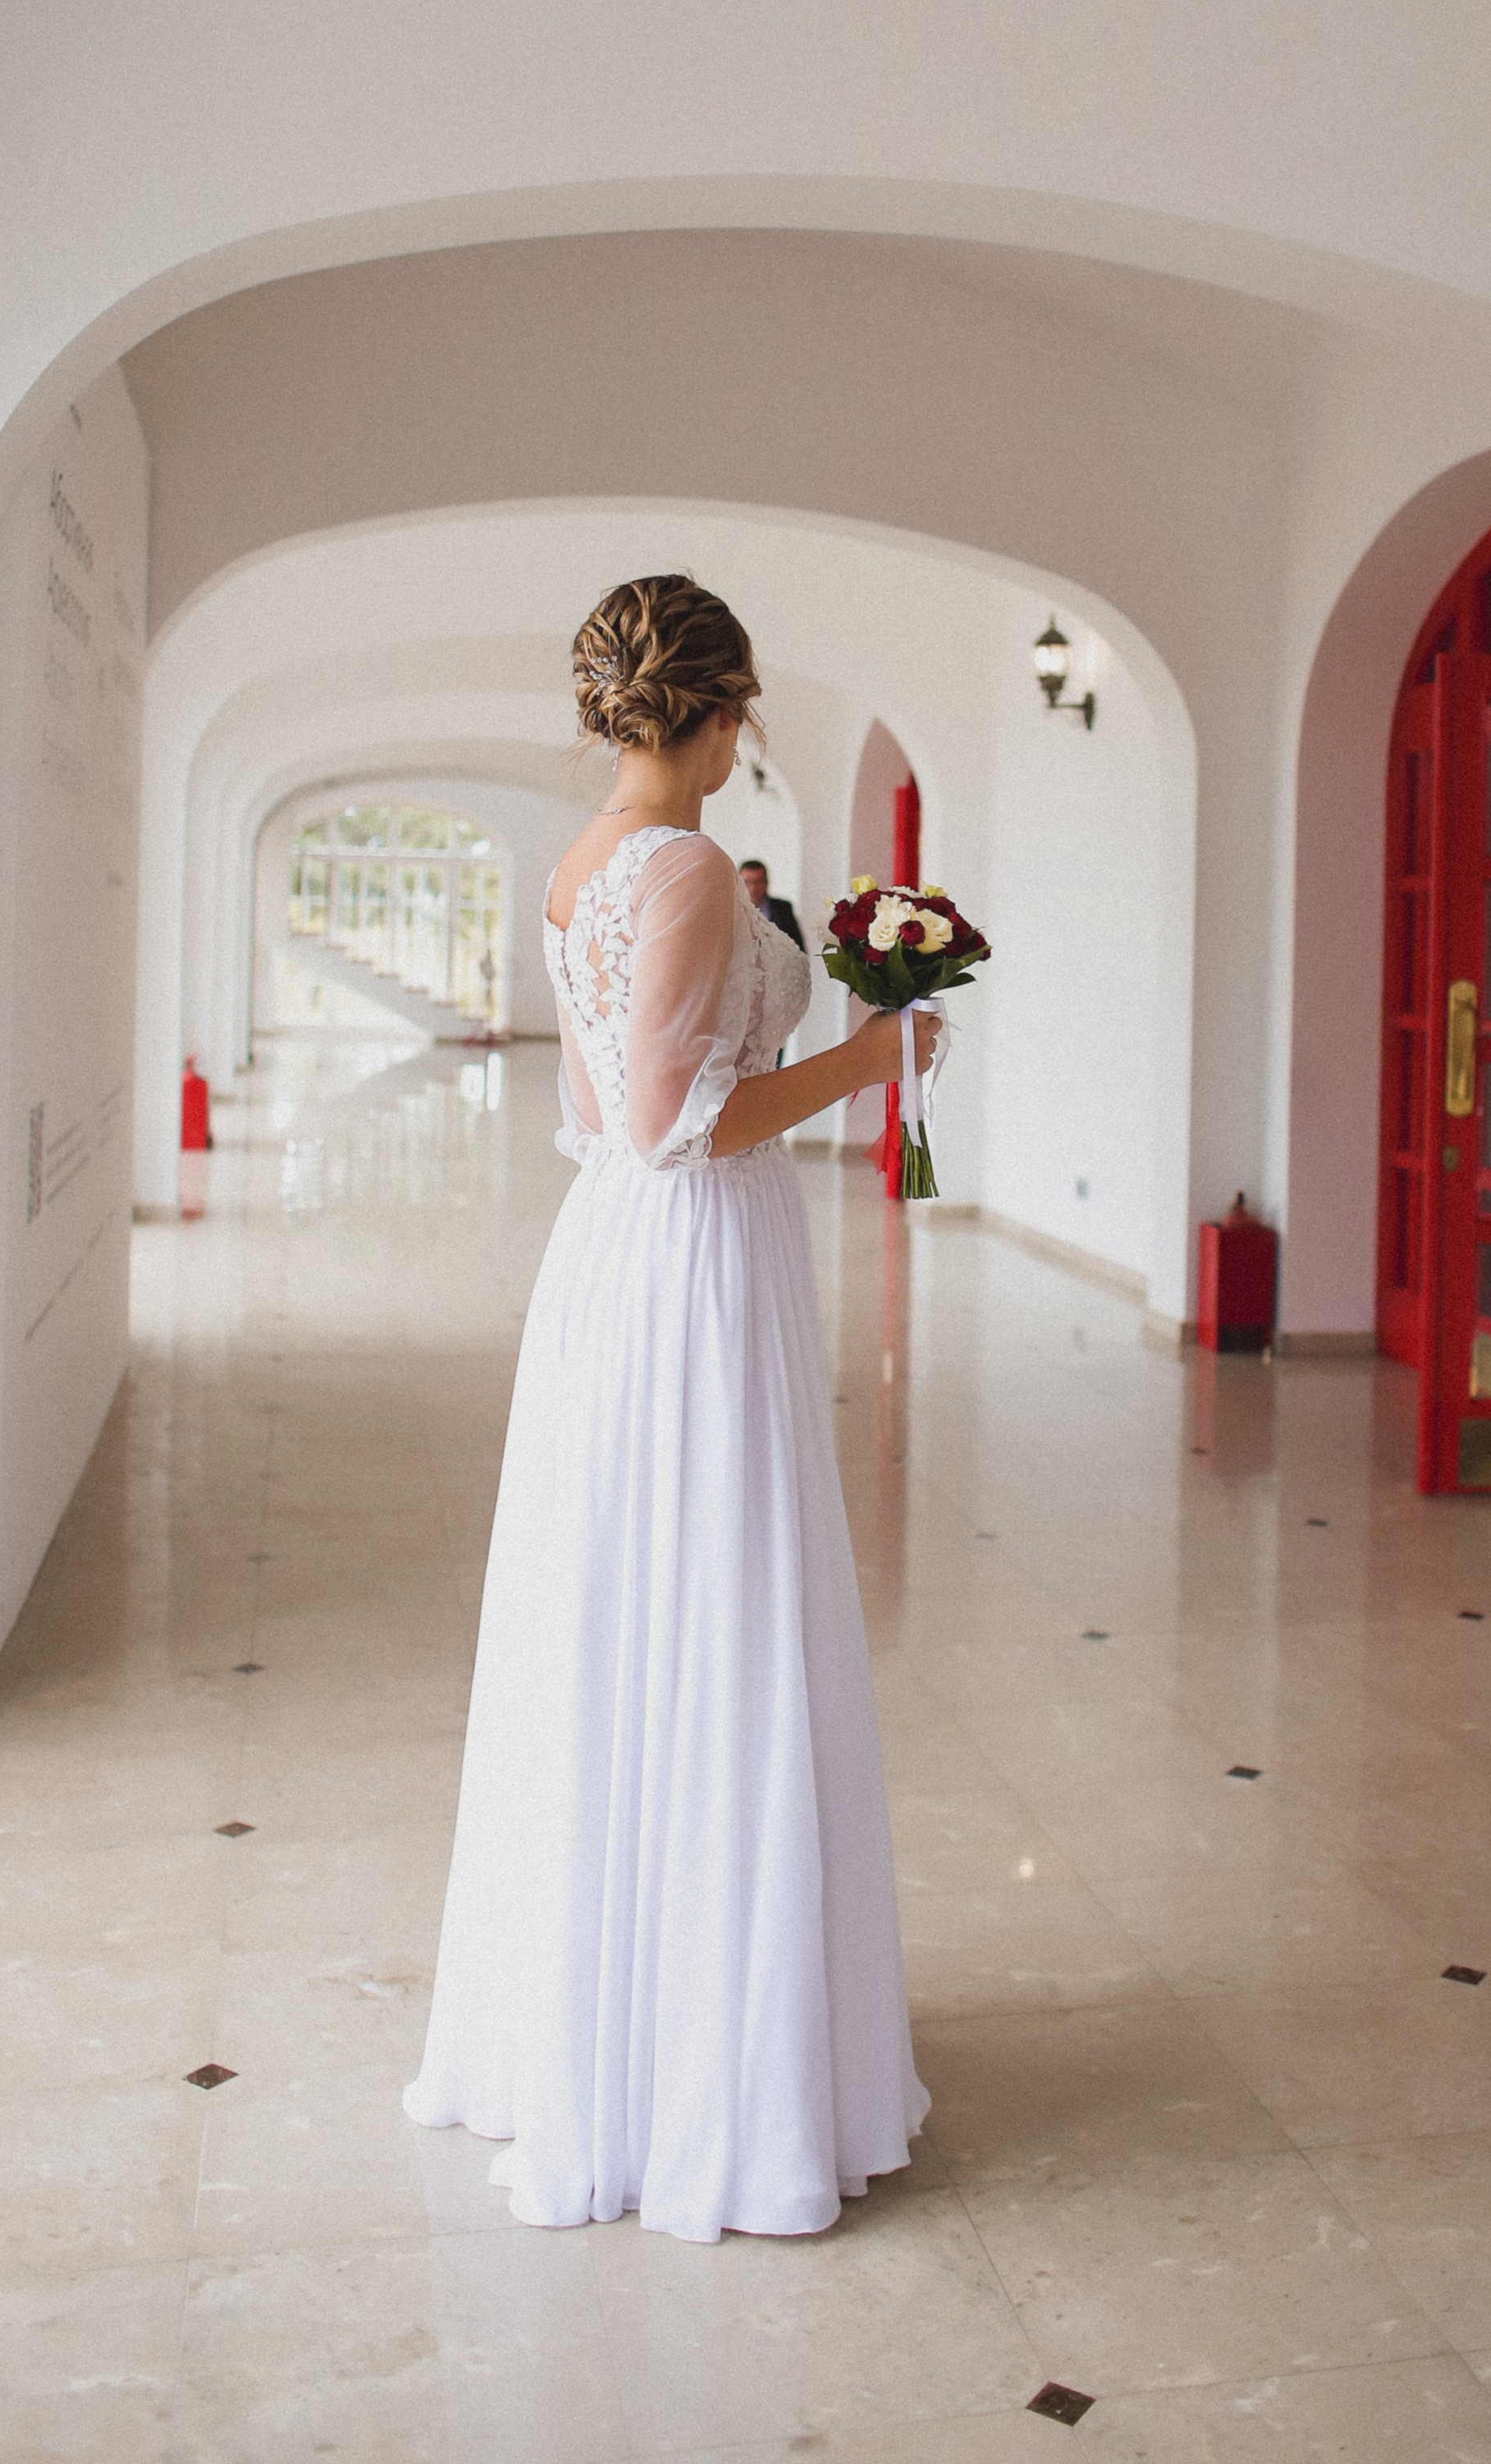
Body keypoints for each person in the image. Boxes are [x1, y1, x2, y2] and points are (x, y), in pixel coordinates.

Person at [403, 573, 935, 2241]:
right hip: (687, 1256)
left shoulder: (584, 863)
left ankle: (629, 2037)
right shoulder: (688, 861)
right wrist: (872, 1057)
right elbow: (664, 1121)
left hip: (634, 1262)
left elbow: (615, 1100)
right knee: (711, 1617)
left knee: (640, 1620)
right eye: (743, 711)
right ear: (717, 711)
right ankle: (710, 2076)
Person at [738, 856, 805, 949]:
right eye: (747, 882)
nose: (753, 888)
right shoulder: (732, 912)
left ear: (766, 882)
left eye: (758, 882)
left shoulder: (783, 909)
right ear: (739, 884)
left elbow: (798, 948)